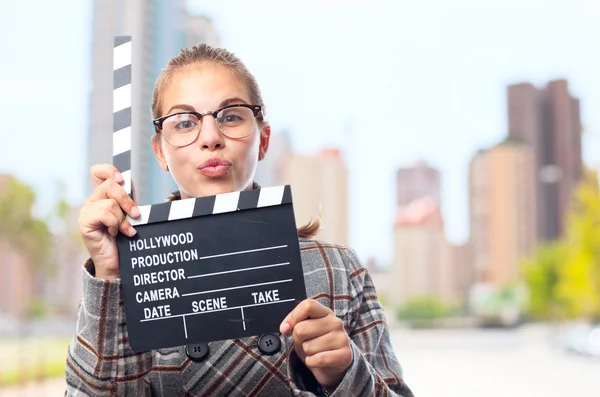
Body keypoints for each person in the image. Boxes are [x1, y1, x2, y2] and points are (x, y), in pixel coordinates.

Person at [66, 44, 414, 397]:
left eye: (231, 116)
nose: (211, 138)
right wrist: (110, 272)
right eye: (185, 123)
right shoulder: (126, 277)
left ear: (263, 141)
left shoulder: (337, 268)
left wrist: (347, 372)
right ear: (160, 152)